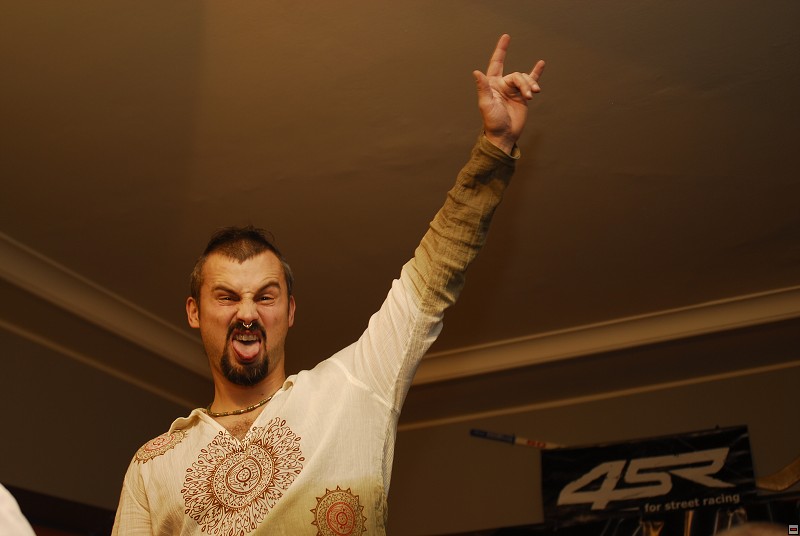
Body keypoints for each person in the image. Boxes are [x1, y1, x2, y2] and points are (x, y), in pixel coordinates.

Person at [112, 34, 545, 535]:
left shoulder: (354, 388)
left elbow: (433, 277)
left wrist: (495, 147)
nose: (247, 313)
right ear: (194, 311)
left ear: (290, 310)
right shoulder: (153, 466)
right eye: (227, 296)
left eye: (265, 296)